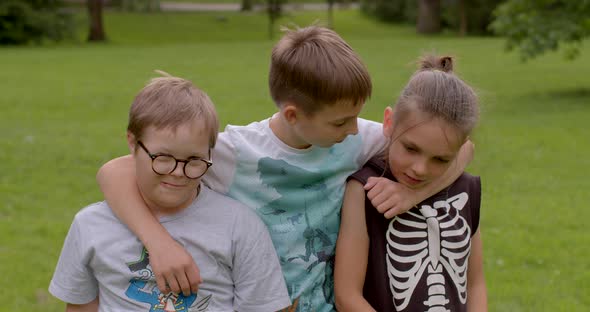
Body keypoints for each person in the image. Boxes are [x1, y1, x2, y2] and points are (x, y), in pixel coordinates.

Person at [96, 27, 474, 311]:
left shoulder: (353, 138)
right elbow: (114, 173)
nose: (356, 129)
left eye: (357, 117)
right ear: (293, 114)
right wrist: (158, 243)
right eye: (342, 121)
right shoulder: (235, 152)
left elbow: (464, 148)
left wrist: (413, 193)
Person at [49, 74, 291, 312]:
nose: (177, 172)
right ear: (132, 143)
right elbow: (81, 306)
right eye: (163, 158)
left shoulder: (240, 226)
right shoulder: (90, 225)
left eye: (194, 160)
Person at [334, 55, 487, 312]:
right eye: (411, 148)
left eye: (440, 159)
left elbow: (475, 284)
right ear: (389, 123)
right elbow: (347, 296)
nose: (420, 169)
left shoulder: (466, 190)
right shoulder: (364, 190)